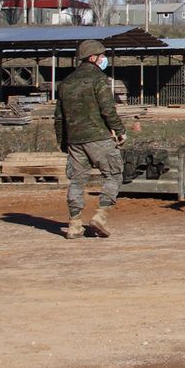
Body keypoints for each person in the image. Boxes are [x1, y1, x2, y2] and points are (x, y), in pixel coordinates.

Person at [55, 39, 126, 239]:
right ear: (93, 58)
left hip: (75, 140)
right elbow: (107, 109)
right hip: (99, 137)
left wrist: (62, 141)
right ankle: (101, 215)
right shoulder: (99, 79)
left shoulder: (65, 83)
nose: (104, 59)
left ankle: (74, 223)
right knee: (113, 175)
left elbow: (59, 116)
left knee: (77, 181)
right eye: (102, 56)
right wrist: (119, 130)